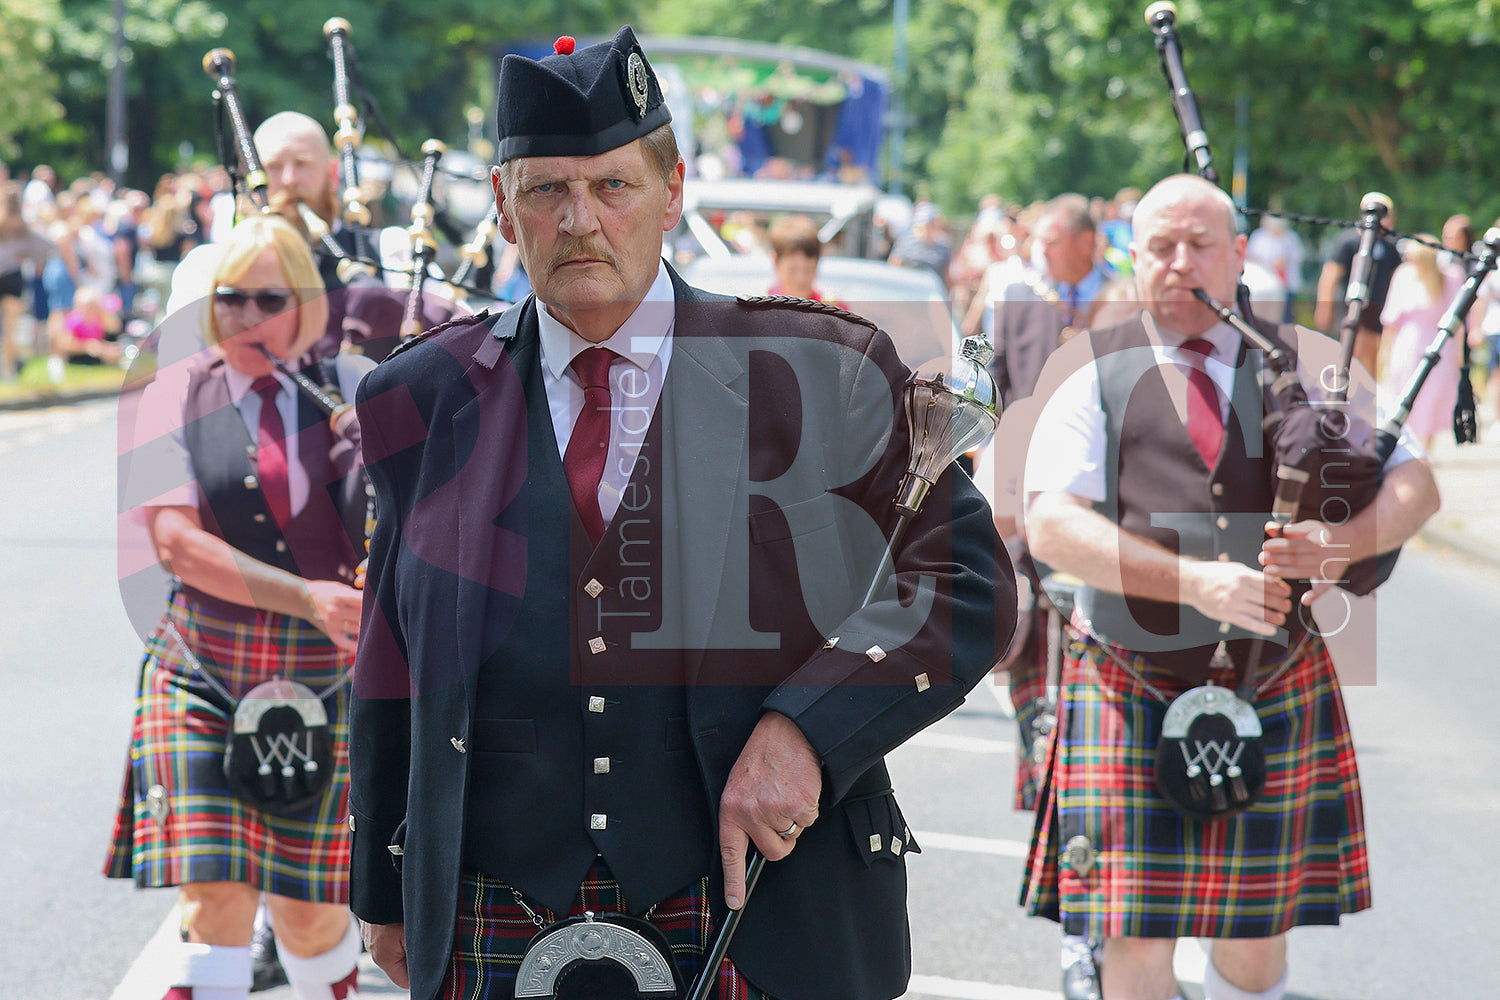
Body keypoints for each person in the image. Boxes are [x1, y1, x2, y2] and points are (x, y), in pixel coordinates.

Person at [347, 27, 1008, 1000]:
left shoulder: (817, 374)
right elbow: (389, 652)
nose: (580, 220)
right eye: (546, 190)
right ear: (501, 206)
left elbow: (965, 583)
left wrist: (807, 730)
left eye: (612, 185)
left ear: (673, 192)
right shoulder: (425, 395)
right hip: (496, 905)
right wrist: (386, 883)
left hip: (757, 916)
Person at [1017, 174, 1440, 1000]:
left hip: (1273, 677)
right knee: (1135, 938)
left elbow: (1416, 486)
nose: (1181, 264)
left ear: (1239, 254)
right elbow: (1051, 524)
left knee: (1254, 947)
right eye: (1161, 248)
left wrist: (1341, 545)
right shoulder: (1092, 371)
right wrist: (1194, 583)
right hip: (1128, 674)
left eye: (1200, 246)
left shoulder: (1313, 361)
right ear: (1133, 259)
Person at [105, 213, 373, 1000]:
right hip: (203, 669)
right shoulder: (172, 397)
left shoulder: (355, 387)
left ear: (307, 304)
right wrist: (304, 596)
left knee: (308, 913)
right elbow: (178, 546)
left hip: (326, 676)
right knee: (217, 895)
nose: (248, 317)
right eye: (230, 299)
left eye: (269, 298)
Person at [1380, 235, 1465, 450]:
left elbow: (1459, 318)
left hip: (1439, 344)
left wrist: (1458, 352)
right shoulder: (1403, 276)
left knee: (1432, 396)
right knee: (1404, 391)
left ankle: (1425, 447)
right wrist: (1384, 351)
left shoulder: (1451, 277)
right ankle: (1407, 444)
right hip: (1408, 344)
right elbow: (1391, 319)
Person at [1313, 200, 1399, 380]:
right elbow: (1330, 276)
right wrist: (1324, 307)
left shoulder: (1391, 248)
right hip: (1349, 312)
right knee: (1345, 358)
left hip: (1377, 316)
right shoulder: (1348, 241)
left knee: (1370, 367)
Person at [0, 180, 54, 379]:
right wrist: (28, 256)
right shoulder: (23, 226)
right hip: (13, 278)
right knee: (10, 328)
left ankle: (7, 369)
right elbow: (48, 246)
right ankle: (8, 371)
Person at [766, 213, 840, 304]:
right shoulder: (757, 310)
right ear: (775, 262)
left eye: (808, 270)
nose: (801, 279)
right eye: (792, 269)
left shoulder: (833, 309)